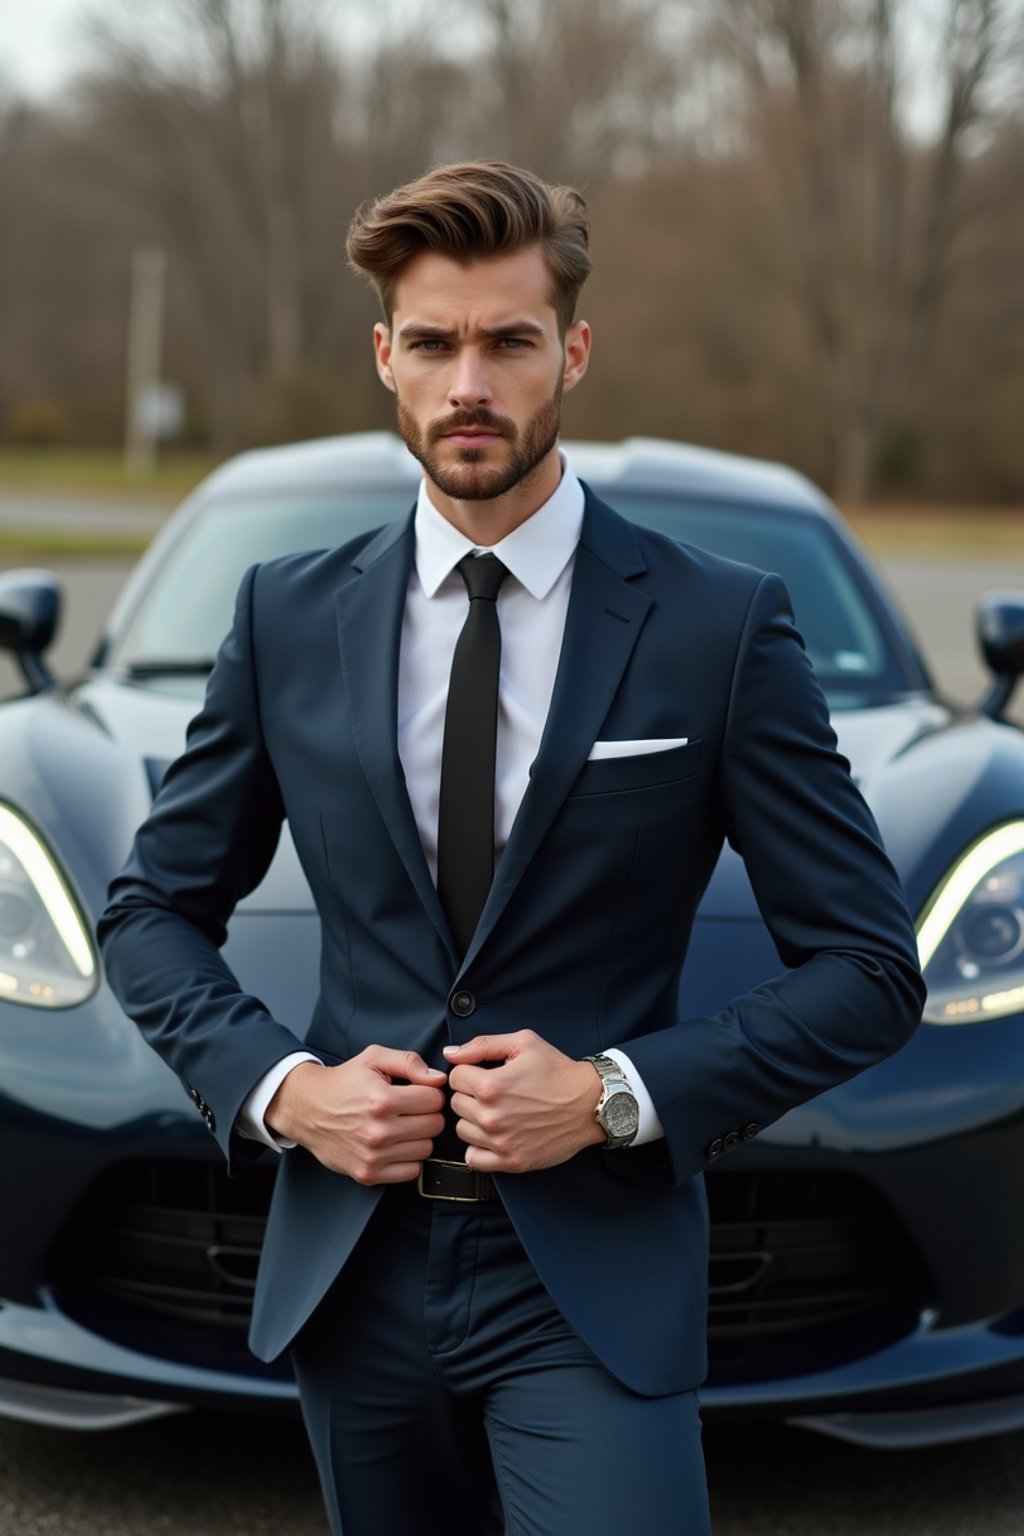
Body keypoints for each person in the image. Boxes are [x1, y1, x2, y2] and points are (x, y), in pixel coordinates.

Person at [99, 160, 925, 1536]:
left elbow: (868, 966)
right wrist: (283, 1089)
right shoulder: (287, 616)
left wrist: (614, 1093)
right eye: (433, 343)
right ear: (386, 357)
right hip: (351, 1269)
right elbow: (148, 912)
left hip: (587, 1276)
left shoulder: (720, 627)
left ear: (574, 352)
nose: (468, 381)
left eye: (508, 341)